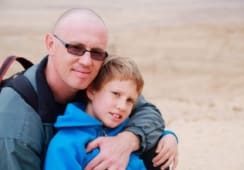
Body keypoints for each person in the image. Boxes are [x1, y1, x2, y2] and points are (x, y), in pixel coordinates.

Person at [0, 8, 178, 170]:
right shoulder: (16, 122)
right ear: (51, 44)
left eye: (96, 52)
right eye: (75, 48)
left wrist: (127, 141)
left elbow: (148, 112)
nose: (86, 61)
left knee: (156, 147)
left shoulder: (95, 79)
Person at [44, 56, 146, 170]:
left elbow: (153, 131)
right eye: (116, 94)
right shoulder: (65, 145)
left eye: (130, 100)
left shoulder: (128, 130)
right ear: (92, 91)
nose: (122, 106)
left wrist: (167, 138)